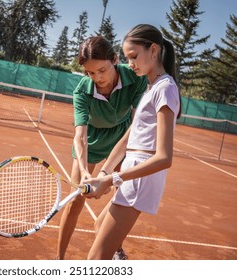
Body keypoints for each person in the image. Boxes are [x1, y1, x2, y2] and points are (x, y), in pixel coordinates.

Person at [83, 24, 182, 260]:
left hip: (141, 177)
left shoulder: (165, 88)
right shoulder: (152, 87)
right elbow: (129, 137)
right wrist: (104, 173)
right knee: (100, 227)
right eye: (128, 58)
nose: (130, 64)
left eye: (134, 56)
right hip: (132, 170)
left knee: (95, 259)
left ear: (154, 50)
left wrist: (111, 179)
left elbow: (164, 158)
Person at [56, 36, 148, 260]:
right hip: (93, 140)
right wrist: (87, 173)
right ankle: (59, 260)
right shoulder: (82, 91)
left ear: (115, 59)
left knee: (122, 196)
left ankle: (114, 246)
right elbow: (80, 136)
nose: (97, 78)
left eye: (102, 70)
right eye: (90, 73)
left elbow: (135, 128)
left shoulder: (136, 78)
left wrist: (105, 173)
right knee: (75, 201)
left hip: (123, 135)